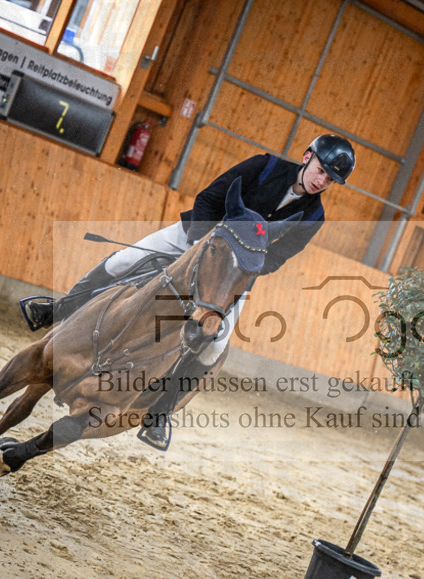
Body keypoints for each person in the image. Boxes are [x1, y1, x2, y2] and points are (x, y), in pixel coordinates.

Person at [20, 134, 356, 449]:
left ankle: (160, 412)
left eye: (330, 180)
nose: (321, 181)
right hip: (192, 236)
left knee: (216, 343)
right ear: (307, 157)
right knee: (124, 261)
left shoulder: (314, 215)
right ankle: (58, 309)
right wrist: (199, 247)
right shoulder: (263, 166)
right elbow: (209, 199)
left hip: (232, 273)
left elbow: (278, 258)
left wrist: (239, 266)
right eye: (321, 171)